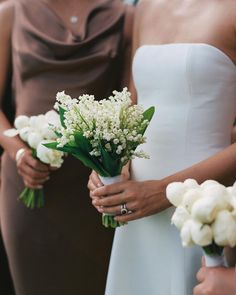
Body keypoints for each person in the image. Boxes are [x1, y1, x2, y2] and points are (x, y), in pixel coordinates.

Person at [88, 0, 236, 294]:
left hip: (201, 208)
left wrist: (164, 191)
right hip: (136, 209)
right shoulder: (146, 6)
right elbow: (135, 102)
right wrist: (113, 165)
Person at [0, 0, 133, 294]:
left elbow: (129, 103)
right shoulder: (11, 12)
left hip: (95, 186)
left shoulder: (125, 16)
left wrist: (117, 169)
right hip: (31, 178)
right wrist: (18, 151)